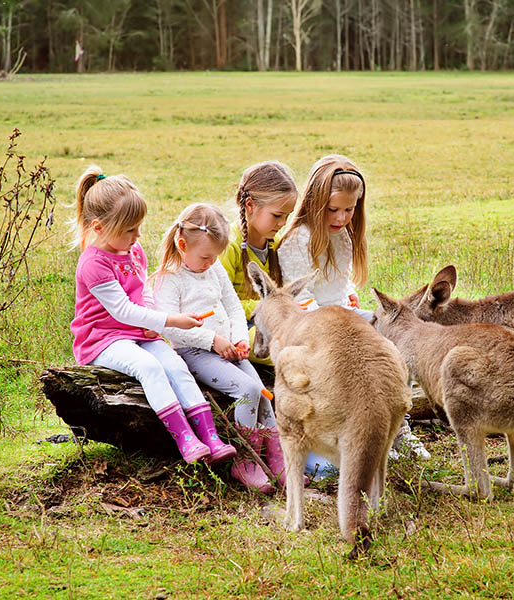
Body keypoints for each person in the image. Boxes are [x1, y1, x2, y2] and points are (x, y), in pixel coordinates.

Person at [69, 166, 236, 466]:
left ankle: (209, 435)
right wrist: (170, 320)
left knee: (175, 364)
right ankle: (184, 438)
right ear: (99, 228)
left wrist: (152, 318)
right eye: (129, 230)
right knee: (149, 367)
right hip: (103, 339)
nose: (138, 236)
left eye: (138, 227)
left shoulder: (133, 251)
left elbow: (142, 292)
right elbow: (121, 309)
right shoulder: (93, 263)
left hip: (137, 330)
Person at [277, 155, 431, 461]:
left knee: (395, 338)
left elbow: (341, 280)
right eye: (333, 210)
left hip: (340, 312)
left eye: (349, 209)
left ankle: (398, 428)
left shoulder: (343, 236)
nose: (341, 217)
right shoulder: (298, 240)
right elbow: (301, 293)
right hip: (313, 321)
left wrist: (349, 295)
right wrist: (342, 316)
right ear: (315, 202)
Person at [152, 202, 288, 494]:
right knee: (249, 390)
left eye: (215, 256)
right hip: (196, 352)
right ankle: (245, 462)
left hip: (228, 348)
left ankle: (277, 462)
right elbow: (169, 326)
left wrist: (239, 338)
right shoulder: (170, 278)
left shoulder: (213, 270)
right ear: (182, 243)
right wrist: (213, 340)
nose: (211, 263)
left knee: (264, 394)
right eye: (205, 256)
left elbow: (233, 307)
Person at [219, 161, 337, 479]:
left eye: (286, 216)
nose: (282, 224)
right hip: (232, 332)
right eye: (277, 216)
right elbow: (216, 299)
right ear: (249, 205)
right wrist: (266, 309)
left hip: (262, 327)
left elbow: (279, 296)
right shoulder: (227, 244)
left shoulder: (270, 246)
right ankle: (304, 451)